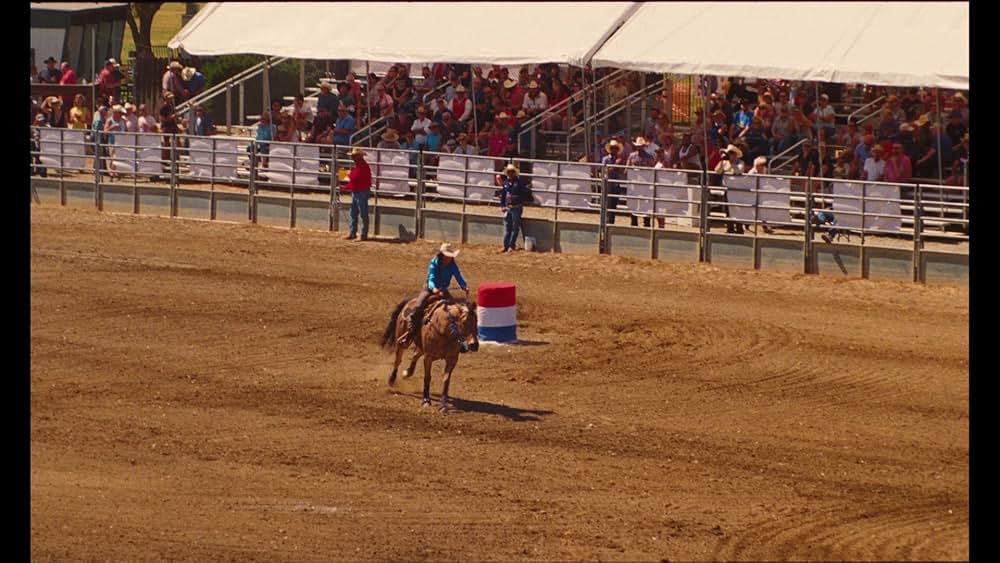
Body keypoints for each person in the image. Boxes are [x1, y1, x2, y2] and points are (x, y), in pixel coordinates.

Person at [401, 243, 470, 347]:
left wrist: (464, 285)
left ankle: (458, 339)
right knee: (418, 306)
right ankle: (410, 331)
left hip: (443, 290)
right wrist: (434, 289)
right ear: (442, 255)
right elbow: (431, 278)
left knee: (456, 311)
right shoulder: (434, 263)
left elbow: (458, 276)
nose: (449, 259)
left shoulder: (452, 265)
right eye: (448, 256)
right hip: (429, 290)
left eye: (451, 257)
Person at [497, 163, 530, 252]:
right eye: (509, 172)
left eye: (512, 172)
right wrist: (502, 206)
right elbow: (503, 195)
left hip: (516, 207)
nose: (510, 174)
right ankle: (506, 245)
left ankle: (511, 245)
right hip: (508, 207)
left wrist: (515, 198)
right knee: (508, 227)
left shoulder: (519, 183)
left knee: (514, 227)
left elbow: (523, 195)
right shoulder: (506, 183)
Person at [342, 147, 372, 241]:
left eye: (354, 156)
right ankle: (354, 232)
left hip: (361, 191)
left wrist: (345, 187)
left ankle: (362, 234)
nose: (352, 158)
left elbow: (355, 179)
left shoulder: (361, 167)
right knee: (354, 212)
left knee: (361, 213)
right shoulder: (361, 166)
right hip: (359, 191)